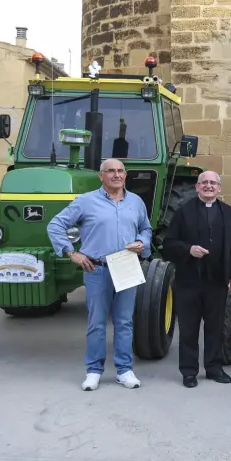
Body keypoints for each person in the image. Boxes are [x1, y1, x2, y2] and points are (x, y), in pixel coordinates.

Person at [47, 158, 152, 391]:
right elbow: (55, 225)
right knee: (96, 322)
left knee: (124, 322)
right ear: (100, 176)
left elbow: (146, 228)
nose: (117, 175)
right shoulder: (85, 201)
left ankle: (124, 370)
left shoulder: (136, 202)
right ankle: (94, 371)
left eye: (120, 171)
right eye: (111, 171)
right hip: (97, 269)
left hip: (126, 266)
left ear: (125, 175)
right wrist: (71, 252)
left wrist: (142, 242)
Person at [161, 170, 231, 388]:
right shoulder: (183, 212)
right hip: (189, 282)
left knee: (215, 328)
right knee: (188, 329)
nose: (208, 186)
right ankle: (189, 371)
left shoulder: (229, 213)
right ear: (197, 187)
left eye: (213, 183)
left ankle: (214, 368)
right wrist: (189, 250)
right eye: (204, 182)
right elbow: (168, 245)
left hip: (217, 281)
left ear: (219, 188)